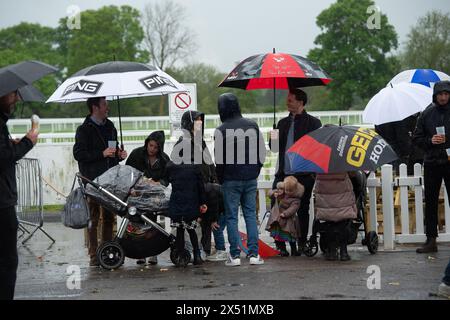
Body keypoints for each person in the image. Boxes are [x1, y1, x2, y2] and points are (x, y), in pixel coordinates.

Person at [73, 97, 127, 266]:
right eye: (104, 104)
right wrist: (101, 154)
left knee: (110, 217)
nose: (107, 107)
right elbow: (79, 154)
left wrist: (119, 154)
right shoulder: (84, 130)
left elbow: (113, 149)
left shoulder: (110, 126)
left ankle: (106, 250)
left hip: (110, 179)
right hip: (92, 180)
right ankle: (93, 256)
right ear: (95, 107)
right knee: (93, 217)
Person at [214, 93, 266, 266]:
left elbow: (219, 159)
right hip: (250, 176)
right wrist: (256, 170)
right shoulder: (252, 125)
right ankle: (253, 254)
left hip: (230, 178)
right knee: (251, 214)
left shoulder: (221, 130)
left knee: (232, 217)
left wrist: (220, 178)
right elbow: (261, 152)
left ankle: (235, 256)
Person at [269, 87, 321, 254]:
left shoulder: (313, 123)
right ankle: (281, 243)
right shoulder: (282, 123)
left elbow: (316, 148)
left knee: (303, 208)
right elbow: (274, 149)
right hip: (284, 174)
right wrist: (273, 134)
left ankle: (302, 241)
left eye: (290, 99)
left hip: (304, 174)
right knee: (277, 206)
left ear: (301, 102)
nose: (287, 102)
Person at [0, 90, 38, 300]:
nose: (17, 99)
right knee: (7, 262)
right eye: (13, 94)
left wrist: (10, 144)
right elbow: (3, 158)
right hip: (2, 204)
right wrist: (27, 142)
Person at [167, 110, 210, 266]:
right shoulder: (183, 143)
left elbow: (207, 164)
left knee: (198, 224)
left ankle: (200, 251)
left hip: (198, 189)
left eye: (201, 120)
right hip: (190, 191)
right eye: (197, 120)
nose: (200, 123)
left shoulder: (200, 141)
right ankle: (190, 252)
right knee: (189, 227)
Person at [413, 80, 450, 253]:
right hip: (432, 162)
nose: (443, 97)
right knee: (431, 201)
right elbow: (416, 138)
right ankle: (431, 240)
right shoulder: (427, 114)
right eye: (440, 94)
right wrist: (430, 141)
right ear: (435, 96)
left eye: (446, 94)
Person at [126, 130, 170, 265]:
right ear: (147, 144)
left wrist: (159, 183)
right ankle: (140, 254)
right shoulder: (136, 154)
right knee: (136, 223)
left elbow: (167, 177)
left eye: (156, 147)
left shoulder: (164, 159)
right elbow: (127, 172)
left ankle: (152, 253)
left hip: (154, 197)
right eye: (150, 145)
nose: (152, 149)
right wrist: (131, 187)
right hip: (137, 195)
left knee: (152, 223)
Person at [313, 172, 358, 261]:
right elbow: (353, 174)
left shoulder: (320, 165)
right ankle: (343, 252)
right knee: (344, 224)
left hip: (325, 200)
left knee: (329, 224)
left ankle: (332, 252)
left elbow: (313, 176)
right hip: (342, 198)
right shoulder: (343, 162)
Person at [266, 176, 304, 257]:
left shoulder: (296, 199)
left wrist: (285, 213)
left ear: (295, 190)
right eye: (286, 190)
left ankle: (294, 250)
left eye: (290, 190)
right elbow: (270, 193)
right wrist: (274, 193)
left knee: (291, 235)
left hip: (289, 219)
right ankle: (283, 250)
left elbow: (293, 208)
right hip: (279, 219)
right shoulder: (282, 193)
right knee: (279, 235)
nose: (288, 192)